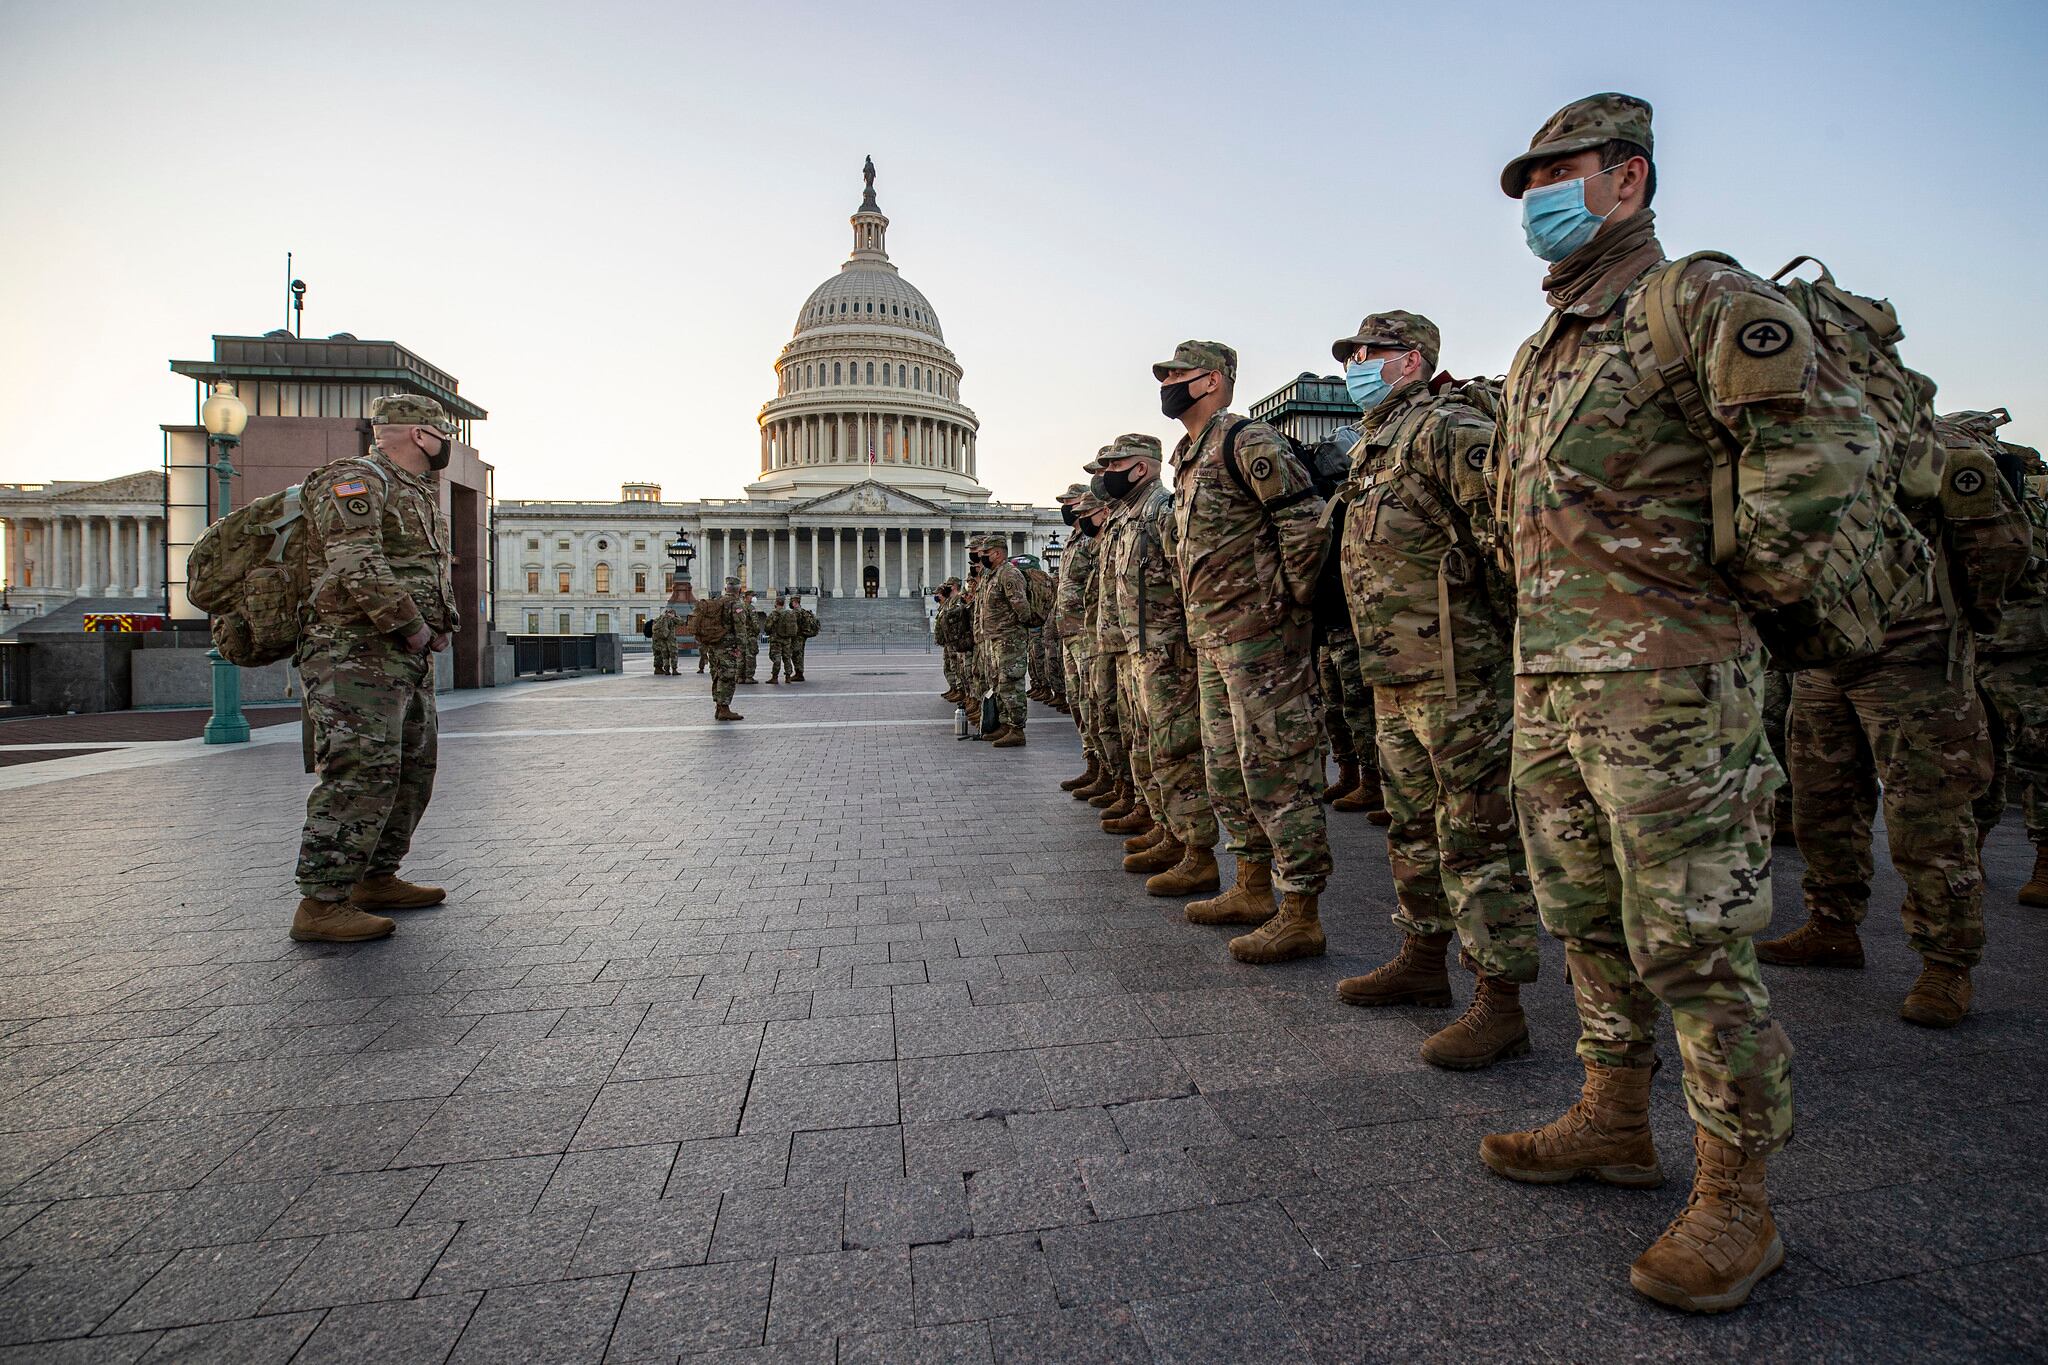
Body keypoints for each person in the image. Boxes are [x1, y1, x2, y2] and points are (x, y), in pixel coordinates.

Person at [1482, 92, 1816, 1312]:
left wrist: (1732, 601)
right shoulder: (1541, 347)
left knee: (1692, 941)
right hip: (1554, 682)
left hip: (1670, 682)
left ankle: (1736, 1196)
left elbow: (1807, 458)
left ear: (1625, 180)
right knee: (1582, 916)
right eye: (1521, 185)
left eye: (1553, 174)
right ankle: (1612, 1117)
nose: (1532, 201)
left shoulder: (1699, 301)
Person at [1325, 310, 1541, 1070]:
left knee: (1477, 835)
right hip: (1396, 674)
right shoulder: (1375, 444)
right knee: (1413, 827)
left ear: (1412, 360)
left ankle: (1500, 999)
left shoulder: (1447, 428)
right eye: (1351, 352)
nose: (1354, 362)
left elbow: (1510, 541)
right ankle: (1422, 957)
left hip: (1460, 677)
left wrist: (1499, 646)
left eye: (1367, 352)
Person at [1762, 406, 2028, 1024]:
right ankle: (1832, 925)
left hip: (1912, 654)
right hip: (1823, 653)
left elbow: (1998, 545)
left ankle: (1945, 964)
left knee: (1927, 814)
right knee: (1821, 803)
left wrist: (1962, 620)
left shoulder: (1931, 447)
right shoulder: (1791, 442)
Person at [1154, 340, 1331, 964]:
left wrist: (1289, 610)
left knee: (1278, 772)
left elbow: (1304, 524)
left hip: (1261, 640)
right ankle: (1254, 887)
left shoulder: (1247, 441)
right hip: (1215, 640)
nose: (1167, 382)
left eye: (1177, 373)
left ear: (1211, 381)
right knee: (1229, 772)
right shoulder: (1186, 458)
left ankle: (1301, 909)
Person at [290, 393, 459, 944]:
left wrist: (441, 623)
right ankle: (321, 902)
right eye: (443, 433)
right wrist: (411, 623)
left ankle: (375, 877)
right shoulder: (356, 479)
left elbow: (424, 568)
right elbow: (356, 560)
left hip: (401, 656)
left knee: (410, 769)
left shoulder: (415, 492)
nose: (447, 444)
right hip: (353, 652)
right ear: (419, 434)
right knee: (361, 769)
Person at [1098, 433, 1221, 897]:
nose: (1107, 475)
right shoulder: (1129, 515)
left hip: (1167, 652)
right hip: (1137, 649)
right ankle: (1169, 830)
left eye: (1115, 464)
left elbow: (1187, 576)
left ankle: (1197, 853)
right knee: (1147, 744)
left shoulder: (1161, 511)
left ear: (1143, 467)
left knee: (1177, 751)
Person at [1971, 418, 2048, 902]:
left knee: (2039, 752)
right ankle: (1970, 851)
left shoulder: (2031, 508)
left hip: (2028, 646)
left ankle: (2045, 862)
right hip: (1974, 643)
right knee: (1977, 755)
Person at [1051, 485, 1102, 792]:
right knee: (1077, 701)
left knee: (1093, 702)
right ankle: (1092, 763)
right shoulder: (1073, 540)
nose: (1067, 509)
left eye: (1071, 503)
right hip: (1070, 632)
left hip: (1087, 632)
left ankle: (1108, 773)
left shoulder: (1092, 539)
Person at [972, 535, 1031, 747]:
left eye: (986, 553)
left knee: (1011, 684)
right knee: (998, 685)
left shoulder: (1009, 573)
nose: (982, 557)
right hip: (995, 639)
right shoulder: (992, 575)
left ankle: (1017, 728)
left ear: (997, 553)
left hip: (1009, 640)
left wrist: (1013, 629)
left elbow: (1022, 608)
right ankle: (1005, 725)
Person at [705, 576, 747, 722]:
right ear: (739, 590)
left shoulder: (718, 602)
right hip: (728, 646)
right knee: (728, 677)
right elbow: (740, 628)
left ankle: (718, 707)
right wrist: (741, 647)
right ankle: (724, 709)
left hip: (714, 645)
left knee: (718, 675)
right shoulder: (735, 604)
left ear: (725, 589)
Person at [767, 595, 796, 684]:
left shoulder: (774, 614)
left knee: (777, 659)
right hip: (787, 640)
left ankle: (774, 677)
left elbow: (767, 627)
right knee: (787, 658)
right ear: (784, 604)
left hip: (776, 640)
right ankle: (788, 677)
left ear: (776, 603)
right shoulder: (789, 613)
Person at [789, 593, 817, 682]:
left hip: (797, 636)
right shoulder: (803, 611)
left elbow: (792, 625)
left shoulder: (796, 612)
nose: (791, 603)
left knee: (796, 655)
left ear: (795, 601)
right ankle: (799, 673)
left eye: (792, 601)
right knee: (800, 654)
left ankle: (799, 674)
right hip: (802, 636)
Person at [738, 592, 763, 684]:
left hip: (740, 636)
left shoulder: (739, 607)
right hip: (749, 636)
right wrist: (756, 633)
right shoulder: (750, 608)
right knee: (750, 656)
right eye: (752, 596)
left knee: (740, 656)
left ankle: (739, 677)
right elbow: (755, 623)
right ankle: (749, 677)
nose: (754, 598)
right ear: (747, 597)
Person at [649, 607, 677, 676]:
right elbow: (680, 622)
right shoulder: (667, 619)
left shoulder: (657, 619)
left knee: (659, 655)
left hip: (657, 639)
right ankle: (666, 669)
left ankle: (660, 669)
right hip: (665, 639)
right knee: (667, 655)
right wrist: (673, 617)